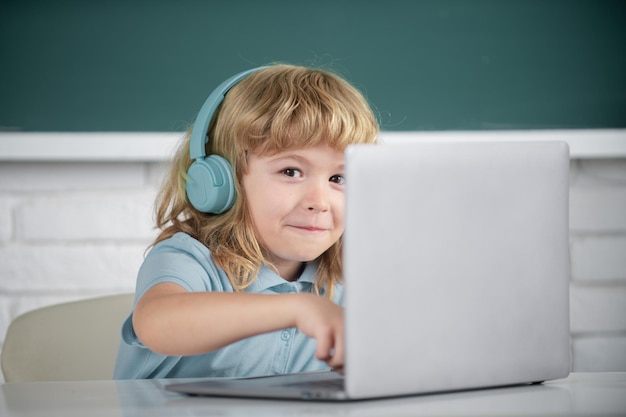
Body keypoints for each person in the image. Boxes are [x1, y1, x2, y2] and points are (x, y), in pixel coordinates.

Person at [114, 64, 379, 379]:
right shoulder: (190, 260)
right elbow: (156, 324)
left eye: (339, 177)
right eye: (291, 171)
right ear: (223, 181)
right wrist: (298, 310)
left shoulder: (344, 277)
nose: (319, 202)